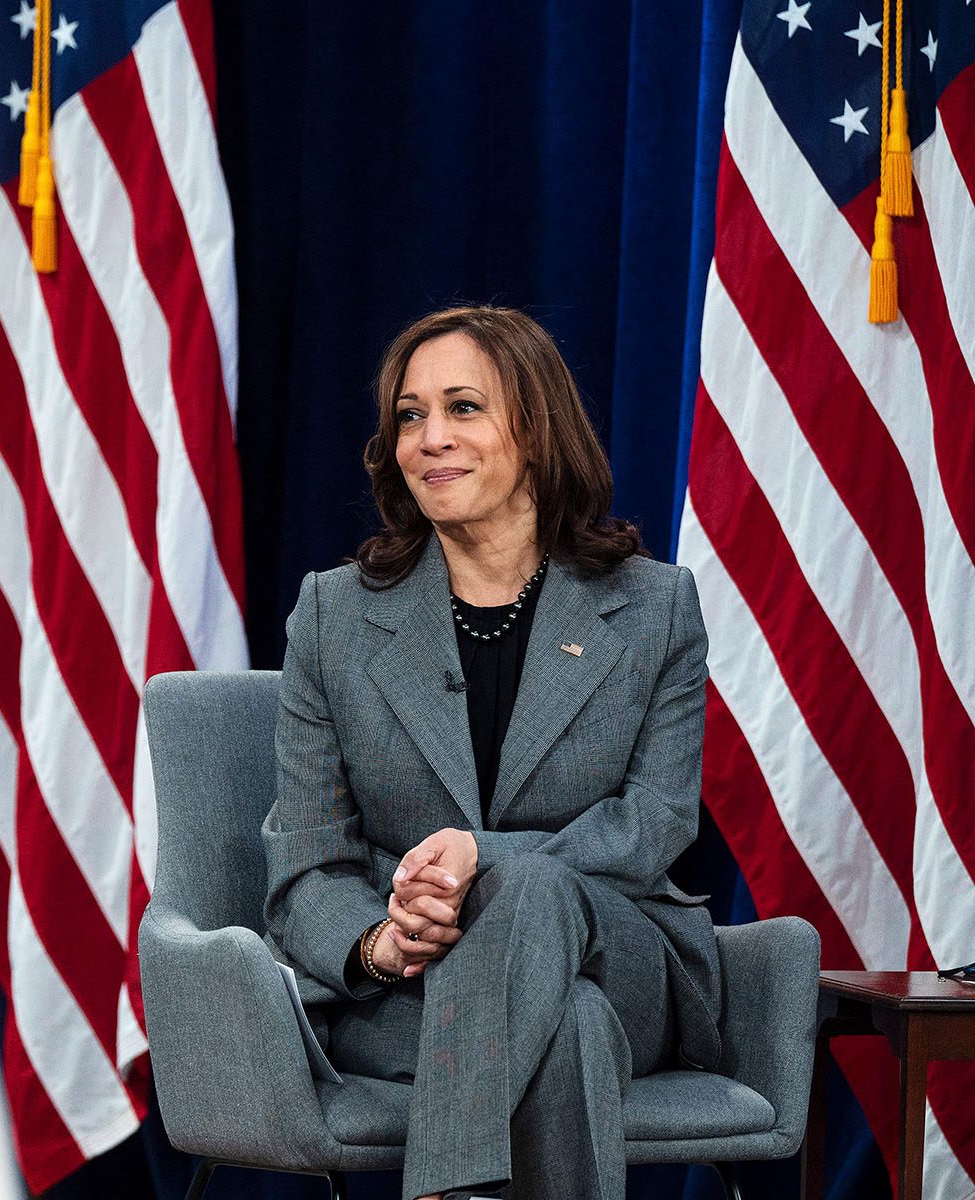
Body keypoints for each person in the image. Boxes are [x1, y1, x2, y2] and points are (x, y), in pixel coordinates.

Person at [262, 306, 721, 1200]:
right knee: (571, 1030)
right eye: (409, 414)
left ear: (537, 430)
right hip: (410, 987)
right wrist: (381, 944)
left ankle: (442, 1189)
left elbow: (654, 824)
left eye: (463, 407)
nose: (430, 439)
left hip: (619, 950)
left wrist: (483, 861)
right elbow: (307, 862)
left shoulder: (655, 608)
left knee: (536, 888)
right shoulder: (335, 616)